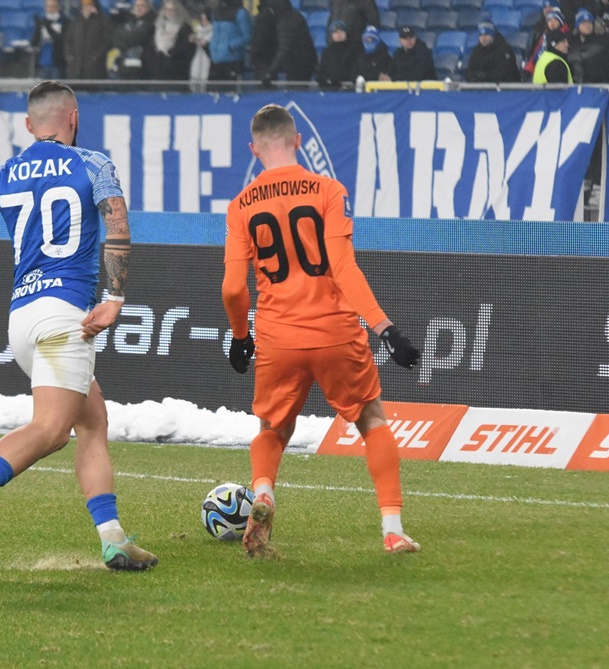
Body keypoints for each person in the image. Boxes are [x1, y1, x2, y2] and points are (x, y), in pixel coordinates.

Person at [0, 81, 157, 572]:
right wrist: (115, 298)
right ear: (73, 118)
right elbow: (117, 226)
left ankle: (114, 538)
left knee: (91, 421)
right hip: (64, 317)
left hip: (22, 319)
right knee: (52, 430)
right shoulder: (93, 164)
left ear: (28, 125)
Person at [222, 103, 422, 559]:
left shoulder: (241, 206)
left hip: (278, 337)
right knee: (372, 420)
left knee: (272, 428)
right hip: (335, 332)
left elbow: (233, 287)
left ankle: (264, 491)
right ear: (297, 141)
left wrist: (239, 336)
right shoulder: (328, 190)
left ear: (254, 149)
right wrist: (386, 329)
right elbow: (343, 268)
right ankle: (392, 529)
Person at [254, 0, 318, 84]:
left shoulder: (284, 24)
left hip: (296, 64)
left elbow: (284, 49)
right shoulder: (297, 16)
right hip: (307, 61)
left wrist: (270, 72)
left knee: (294, 89)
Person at [146, 0, 195, 81]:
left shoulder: (185, 28)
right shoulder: (156, 26)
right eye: (166, 9)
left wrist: (171, 53)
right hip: (157, 70)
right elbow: (150, 47)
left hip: (177, 72)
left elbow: (187, 50)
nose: (168, 12)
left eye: (172, 10)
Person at [64, 0, 112, 80]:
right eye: (84, 5)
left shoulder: (102, 21)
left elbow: (107, 41)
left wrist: (96, 57)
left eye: (89, 4)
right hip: (75, 69)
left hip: (95, 70)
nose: (87, 7)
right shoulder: (76, 21)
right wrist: (70, 57)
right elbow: (68, 41)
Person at [207, 0, 252, 81]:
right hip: (215, 59)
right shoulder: (216, 12)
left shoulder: (241, 13)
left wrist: (231, 46)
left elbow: (247, 36)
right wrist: (212, 46)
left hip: (233, 60)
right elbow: (215, 33)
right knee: (213, 87)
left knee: (231, 87)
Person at [111, 0, 156, 79]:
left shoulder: (152, 22)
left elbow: (136, 38)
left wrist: (124, 38)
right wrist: (126, 39)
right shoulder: (129, 20)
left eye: (142, 6)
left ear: (148, 8)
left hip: (143, 69)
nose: (139, 8)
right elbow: (116, 38)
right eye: (137, 6)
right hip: (124, 67)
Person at [567, 8, 609, 82]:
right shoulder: (571, 42)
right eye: (584, 23)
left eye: (590, 22)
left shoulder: (601, 41)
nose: (588, 25)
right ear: (577, 26)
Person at [316, 20, 362, 88]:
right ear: (331, 34)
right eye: (335, 32)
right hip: (329, 88)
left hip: (348, 88)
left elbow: (354, 70)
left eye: (341, 31)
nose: (339, 34)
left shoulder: (354, 50)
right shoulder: (327, 51)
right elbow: (322, 72)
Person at [32, 0, 70, 79]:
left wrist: (48, 27)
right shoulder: (42, 21)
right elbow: (34, 42)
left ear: (59, 7)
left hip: (58, 63)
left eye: (53, 6)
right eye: (49, 6)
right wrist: (37, 28)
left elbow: (61, 40)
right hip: (43, 63)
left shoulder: (65, 21)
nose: (51, 9)